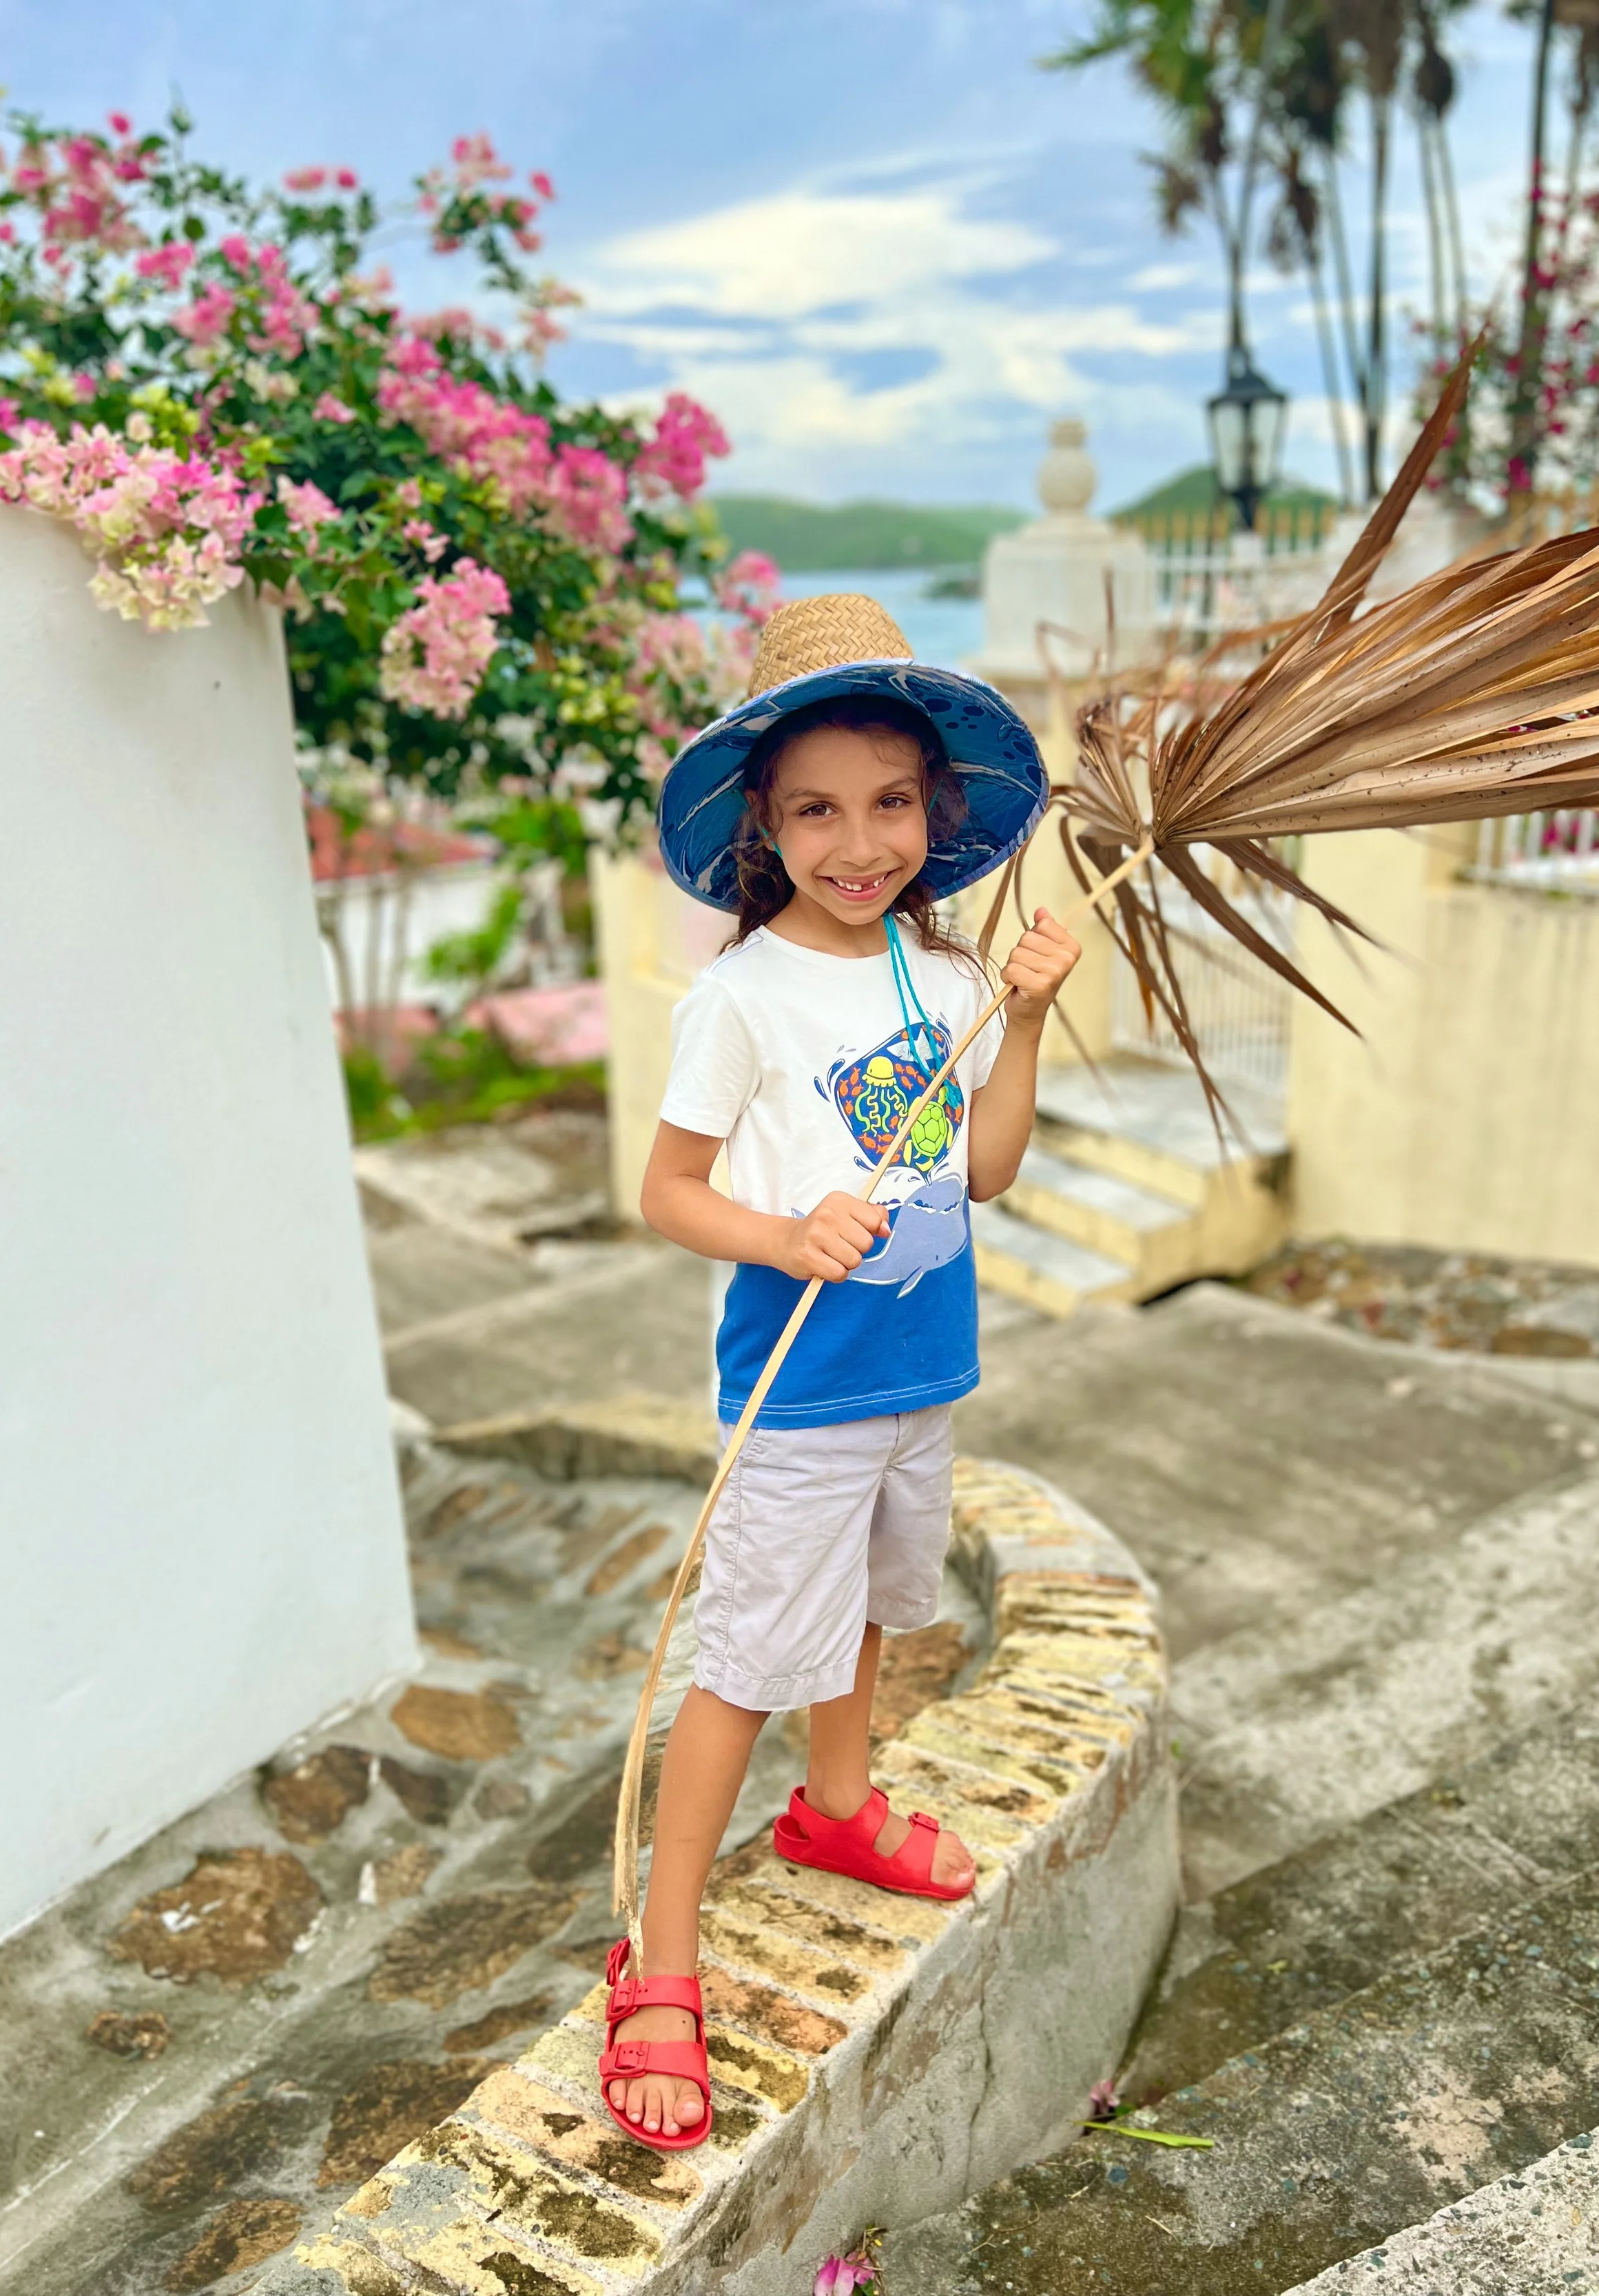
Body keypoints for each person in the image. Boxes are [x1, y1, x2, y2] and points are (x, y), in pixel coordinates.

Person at [598, 593, 1080, 2151]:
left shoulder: (939, 980)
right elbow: (666, 1194)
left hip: (922, 1372)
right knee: (742, 1659)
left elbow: (986, 1171)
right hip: (798, 1391)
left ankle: (841, 1806)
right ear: (765, 822)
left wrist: (1024, 1020)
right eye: (815, 808)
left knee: (874, 1605)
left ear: (934, 814)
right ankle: (659, 1955)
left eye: (887, 803)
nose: (854, 840)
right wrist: (784, 1227)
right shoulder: (736, 999)